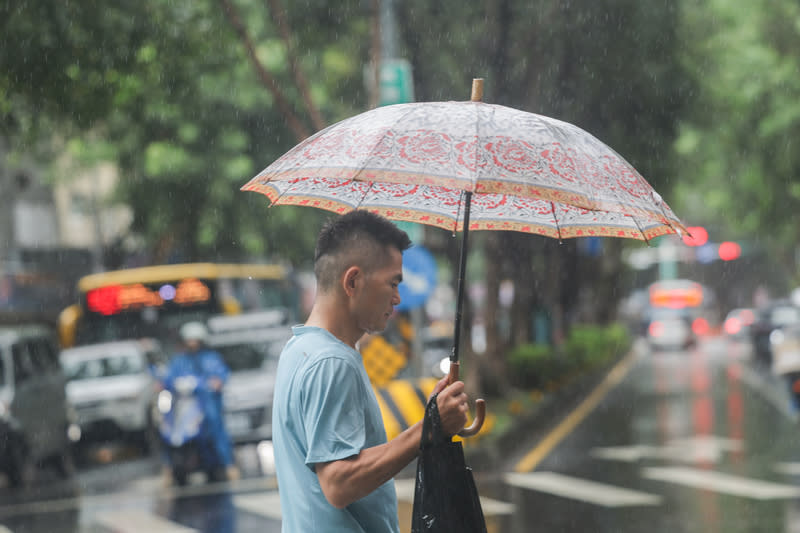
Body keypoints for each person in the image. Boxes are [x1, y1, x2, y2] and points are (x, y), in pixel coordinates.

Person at [272, 210, 471, 532]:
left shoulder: (299, 350)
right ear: (352, 281)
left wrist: (432, 417)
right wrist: (430, 428)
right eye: (392, 283)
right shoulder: (333, 363)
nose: (397, 297)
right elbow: (338, 482)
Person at [162, 321, 239, 482]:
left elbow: (220, 376)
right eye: (189, 340)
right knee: (167, 430)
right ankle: (169, 469)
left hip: (207, 404)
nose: (192, 343)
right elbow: (168, 378)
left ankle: (228, 465)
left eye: (195, 340)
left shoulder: (211, 358)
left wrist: (213, 383)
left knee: (217, 431)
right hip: (185, 406)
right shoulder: (179, 360)